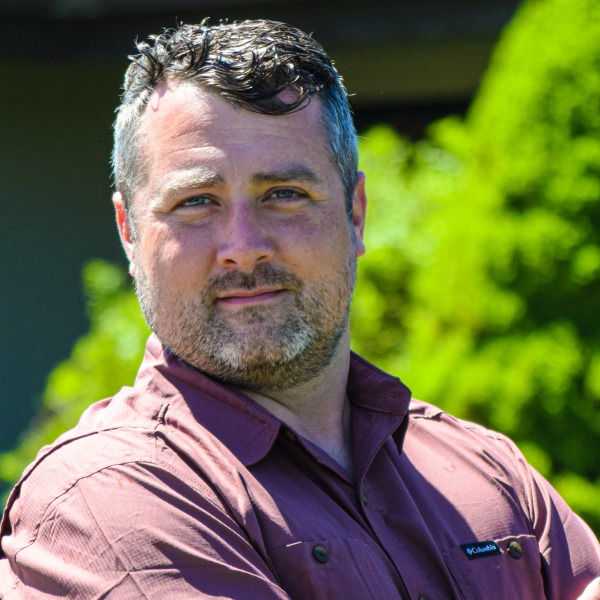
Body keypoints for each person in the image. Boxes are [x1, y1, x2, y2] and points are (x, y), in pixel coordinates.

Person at [0, 19, 599, 600]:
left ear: (355, 214)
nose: (243, 247)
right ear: (129, 232)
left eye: (284, 194)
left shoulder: (488, 468)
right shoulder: (104, 496)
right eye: (196, 201)